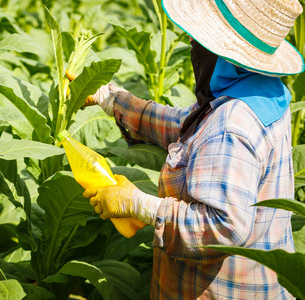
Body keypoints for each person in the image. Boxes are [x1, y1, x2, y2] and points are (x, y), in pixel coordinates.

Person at [74, 0, 305, 299]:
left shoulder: (232, 124)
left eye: (201, 39)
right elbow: (194, 129)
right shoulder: (258, 91)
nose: (193, 43)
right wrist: (112, 99)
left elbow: (223, 228)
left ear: (224, 54)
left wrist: (138, 204)